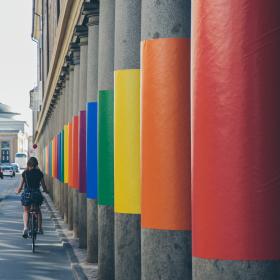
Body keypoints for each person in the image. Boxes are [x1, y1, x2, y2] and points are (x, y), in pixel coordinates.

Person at [16, 157, 48, 238]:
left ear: (28, 164)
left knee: (26, 211)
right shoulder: (39, 173)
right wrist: (46, 191)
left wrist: (18, 191)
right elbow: (43, 186)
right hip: (36, 194)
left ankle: (25, 227)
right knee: (38, 211)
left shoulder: (25, 173)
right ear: (36, 164)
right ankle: (40, 228)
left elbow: (20, 186)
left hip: (27, 194)